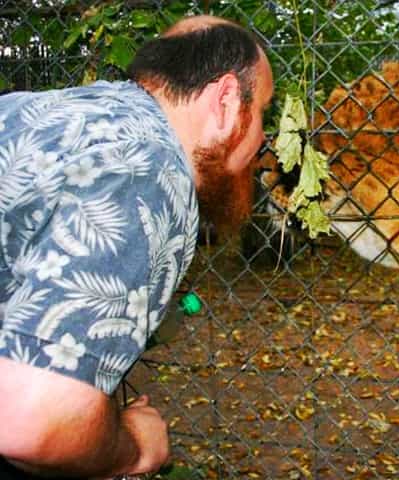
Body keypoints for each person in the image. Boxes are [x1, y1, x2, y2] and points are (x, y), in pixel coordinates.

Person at [0, 14, 273, 479]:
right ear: (226, 100)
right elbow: (30, 421)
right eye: (264, 110)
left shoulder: (31, 110)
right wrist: (134, 448)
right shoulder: (150, 170)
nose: (263, 139)